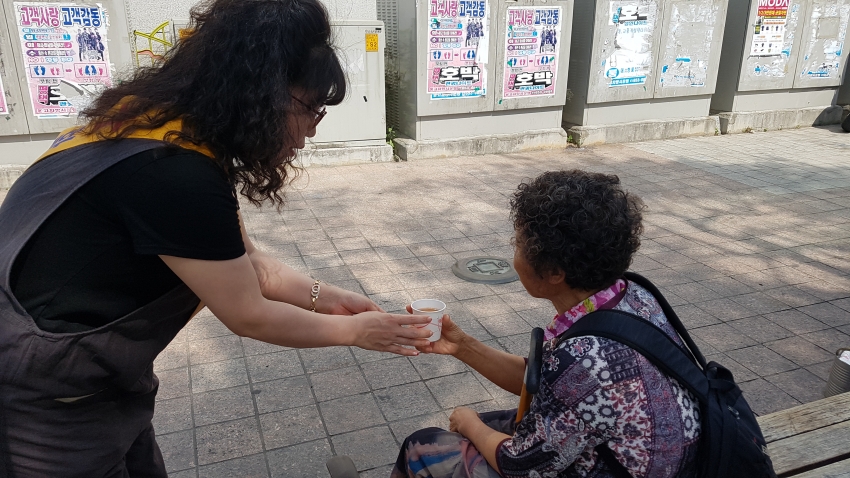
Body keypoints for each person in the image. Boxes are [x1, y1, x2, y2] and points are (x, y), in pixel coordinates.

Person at [0, 0, 432, 476]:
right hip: (43, 399)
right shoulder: (172, 172)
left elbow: (252, 266)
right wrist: (356, 332)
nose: (311, 131)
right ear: (261, 92)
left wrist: (329, 298)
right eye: (311, 109)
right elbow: (248, 314)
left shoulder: (160, 128)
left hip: (100, 382)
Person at [393, 171, 702, 478]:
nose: (514, 254)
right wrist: (461, 346)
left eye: (518, 243)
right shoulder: (632, 294)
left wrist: (468, 422)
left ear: (555, 272)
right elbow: (544, 380)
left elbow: (518, 463)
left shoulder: (582, 363)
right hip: (652, 456)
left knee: (420, 448)